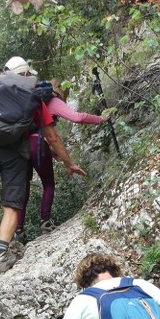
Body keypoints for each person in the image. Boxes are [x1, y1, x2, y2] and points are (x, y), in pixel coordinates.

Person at [0, 58, 86, 275]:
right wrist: (69, 163)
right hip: (14, 152)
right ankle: (0, 255)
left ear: (5, 71)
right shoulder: (33, 95)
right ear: (27, 74)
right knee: (12, 204)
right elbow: (52, 137)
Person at [15, 80, 110, 243]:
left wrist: (51, 152)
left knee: (23, 190)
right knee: (49, 184)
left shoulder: (28, 99)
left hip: (18, 147)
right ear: (62, 91)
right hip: (37, 145)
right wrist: (101, 119)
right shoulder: (53, 100)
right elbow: (77, 117)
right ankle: (45, 222)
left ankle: (18, 232)